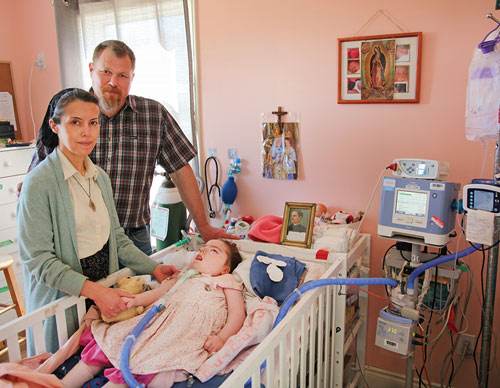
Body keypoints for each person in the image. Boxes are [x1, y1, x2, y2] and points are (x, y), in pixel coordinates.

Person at [27, 40, 236, 255]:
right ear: (91, 70)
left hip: (132, 236)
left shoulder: (153, 115)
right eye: (106, 72)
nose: (113, 82)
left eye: (122, 75)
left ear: (132, 78)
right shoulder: (67, 113)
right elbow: (35, 179)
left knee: (141, 286)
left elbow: (181, 170)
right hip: (77, 237)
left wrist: (203, 226)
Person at [17, 89, 177, 356]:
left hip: (101, 293)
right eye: (75, 122)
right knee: (61, 369)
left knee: (95, 367)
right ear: (55, 126)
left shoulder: (99, 177)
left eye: (93, 123)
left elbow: (116, 238)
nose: (87, 132)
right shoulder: (39, 183)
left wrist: (155, 268)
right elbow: (39, 262)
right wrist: (95, 291)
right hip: (64, 299)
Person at [61, 239, 245, 388]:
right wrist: (135, 300)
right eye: (203, 247)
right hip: (155, 323)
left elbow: (237, 314)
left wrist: (222, 338)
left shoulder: (226, 281)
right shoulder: (184, 275)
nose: (203, 250)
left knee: (143, 362)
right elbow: (158, 293)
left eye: (213, 251)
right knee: (113, 342)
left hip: (180, 333)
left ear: (225, 269)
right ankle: (61, 384)